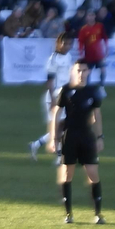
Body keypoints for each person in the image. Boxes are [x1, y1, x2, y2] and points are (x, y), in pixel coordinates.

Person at [49, 61, 104, 224]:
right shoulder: (65, 90)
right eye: (78, 70)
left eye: (84, 70)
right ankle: (68, 214)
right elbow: (56, 114)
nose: (81, 73)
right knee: (67, 175)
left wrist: (100, 137)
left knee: (93, 174)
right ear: (73, 71)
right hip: (69, 136)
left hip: (87, 137)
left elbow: (97, 115)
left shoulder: (93, 91)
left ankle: (98, 213)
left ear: (88, 72)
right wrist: (54, 138)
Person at [30, 33, 75, 161]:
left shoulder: (68, 56)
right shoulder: (53, 59)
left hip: (65, 95)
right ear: (58, 43)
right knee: (60, 126)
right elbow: (49, 82)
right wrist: (53, 100)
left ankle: (36, 145)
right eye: (64, 43)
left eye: (69, 44)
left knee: (63, 126)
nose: (67, 46)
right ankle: (59, 156)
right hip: (54, 96)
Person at [76, 9, 107, 87]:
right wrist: (81, 52)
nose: (91, 17)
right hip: (89, 53)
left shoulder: (100, 26)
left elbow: (105, 38)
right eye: (89, 15)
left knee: (103, 69)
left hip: (99, 53)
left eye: (92, 15)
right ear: (86, 17)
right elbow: (81, 42)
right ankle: (87, 86)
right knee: (88, 71)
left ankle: (101, 85)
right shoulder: (83, 29)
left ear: (95, 16)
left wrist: (106, 49)